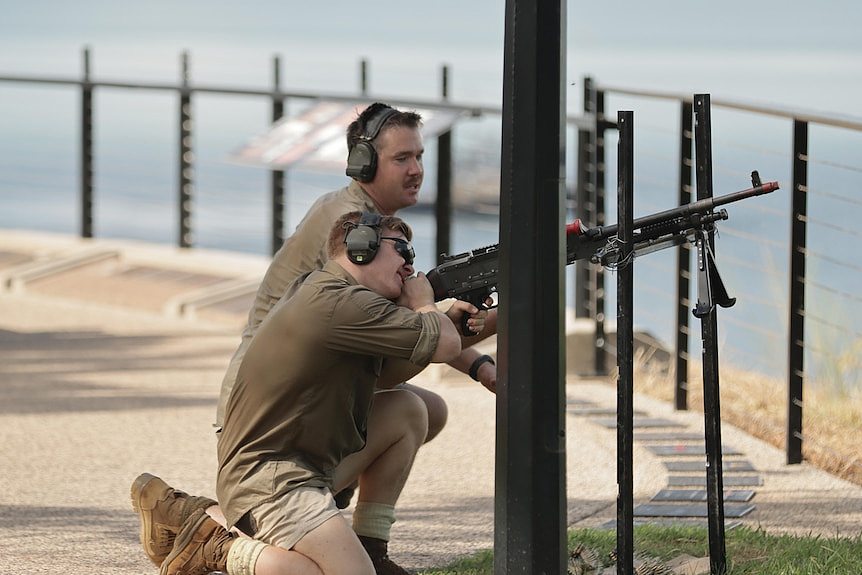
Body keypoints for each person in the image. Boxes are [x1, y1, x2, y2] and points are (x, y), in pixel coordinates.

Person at [150, 211, 479, 575]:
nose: (408, 264)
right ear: (361, 248)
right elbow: (444, 345)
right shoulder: (340, 305)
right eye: (401, 250)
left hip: (305, 466)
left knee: (409, 409)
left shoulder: (335, 292)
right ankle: (220, 547)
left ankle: (371, 550)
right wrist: (423, 303)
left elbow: (391, 373)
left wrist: (485, 320)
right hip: (271, 480)